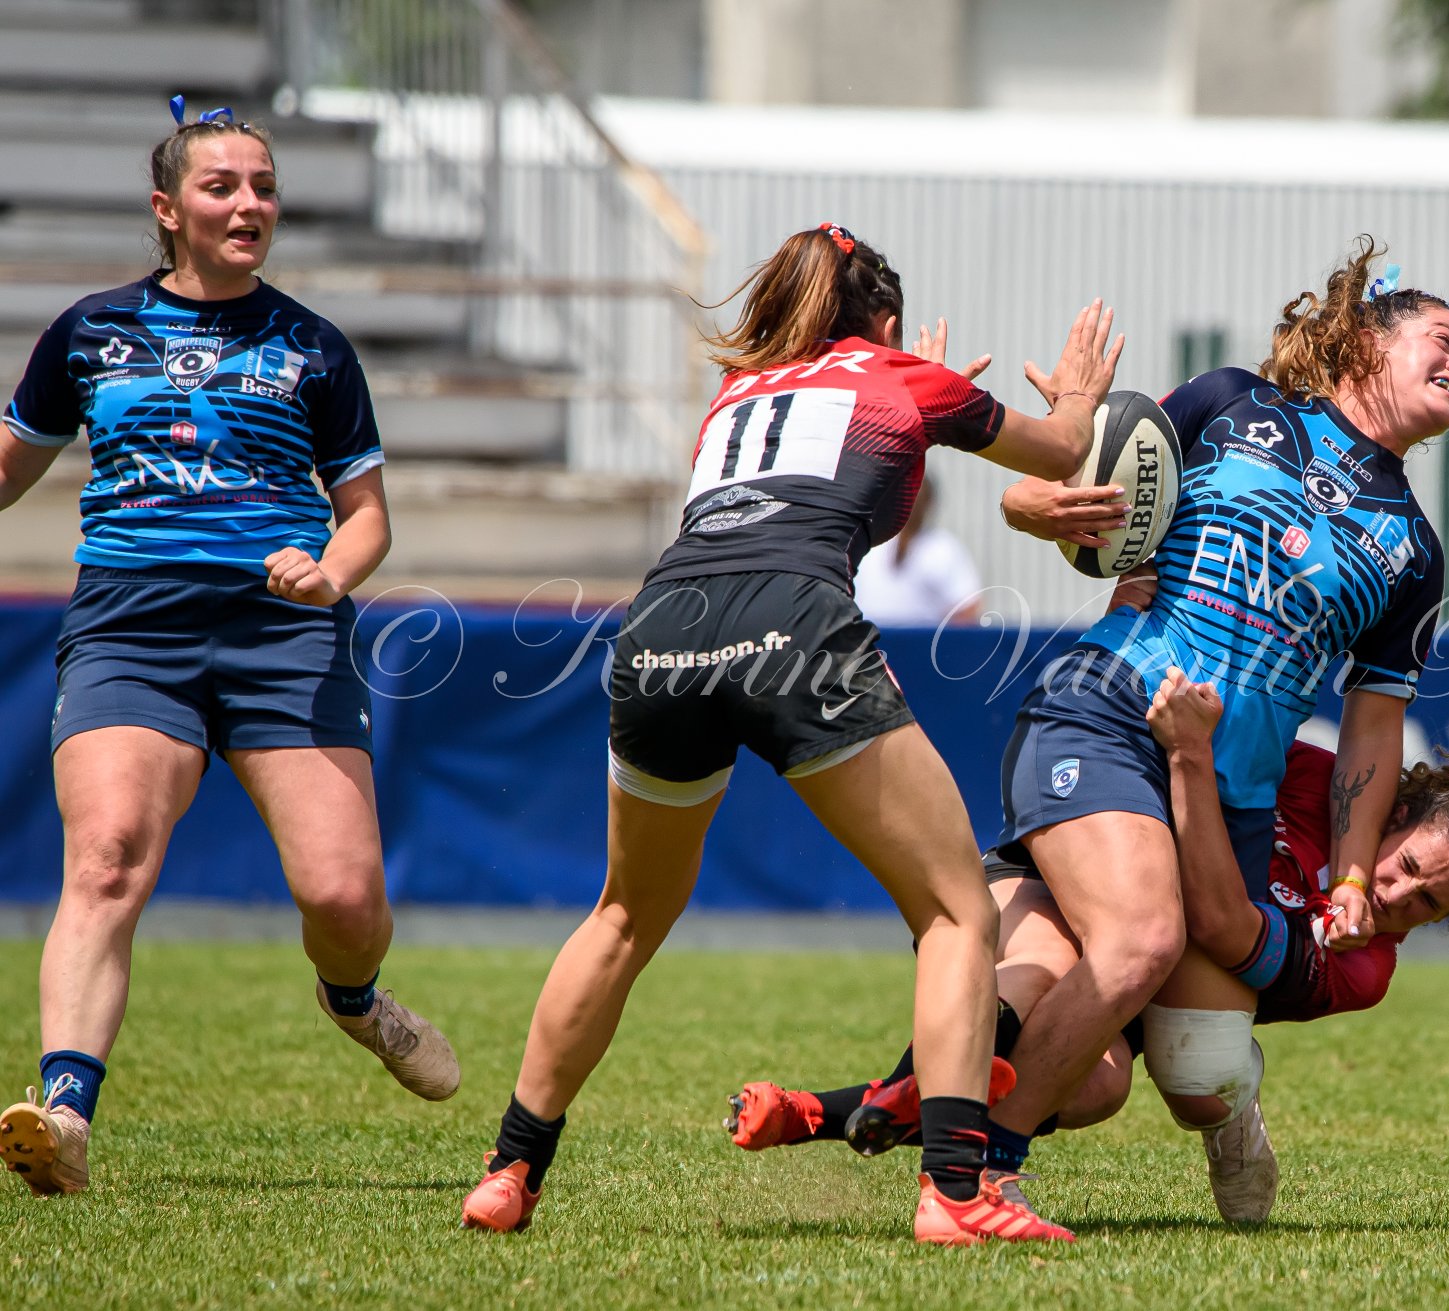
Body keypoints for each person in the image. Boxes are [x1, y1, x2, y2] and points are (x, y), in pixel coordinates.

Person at [457, 223, 1122, 1245]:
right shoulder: (904, 373)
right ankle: (955, 1194)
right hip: (793, 625)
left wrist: (921, 409)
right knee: (955, 912)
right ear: (887, 321)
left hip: (658, 628)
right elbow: (1059, 451)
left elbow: (826, 492)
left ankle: (509, 1171)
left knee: (623, 917)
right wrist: (1072, 395)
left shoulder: (735, 397)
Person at [728, 675, 1449, 1225]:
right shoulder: (1316, 783)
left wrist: (1193, 771)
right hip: (1062, 884)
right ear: (1392, 817)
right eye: (1404, 865)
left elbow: (1224, 931)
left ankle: (1226, 1112)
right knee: (1046, 981)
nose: (1394, 894)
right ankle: (839, 1111)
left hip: (1162, 972)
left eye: (1426, 905)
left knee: (1153, 1072)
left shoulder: (1367, 967)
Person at [0, 99, 458, 1197]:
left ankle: (352, 999)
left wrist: (331, 572)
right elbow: (10, 467)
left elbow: (368, 514)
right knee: (106, 858)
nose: (248, 203)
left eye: (262, 187)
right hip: (129, 628)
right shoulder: (88, 332)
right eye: (222, 187)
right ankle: (63, 1115)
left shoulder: (313, 346)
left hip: (281, 634)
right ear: (168, 209)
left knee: (344, 900)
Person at [969, 239, 1449, 1202]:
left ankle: (1210, 1109)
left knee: (1194, 1074)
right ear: (1370, 342)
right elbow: (1051, 480)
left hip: (1234, 789)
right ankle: (979, 1167)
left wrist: (1357, 871)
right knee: (1137, 948)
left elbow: (1371, 728)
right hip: (1112, 709)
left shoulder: (1414, 547)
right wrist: (1038, 506)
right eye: (1442, 341)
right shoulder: (1232, 401)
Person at [852, 475, 984, 626]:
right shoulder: (943, 548)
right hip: (905, 643)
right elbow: (968, 609)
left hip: (876, 641)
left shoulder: (868, 541)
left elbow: (967, 610)